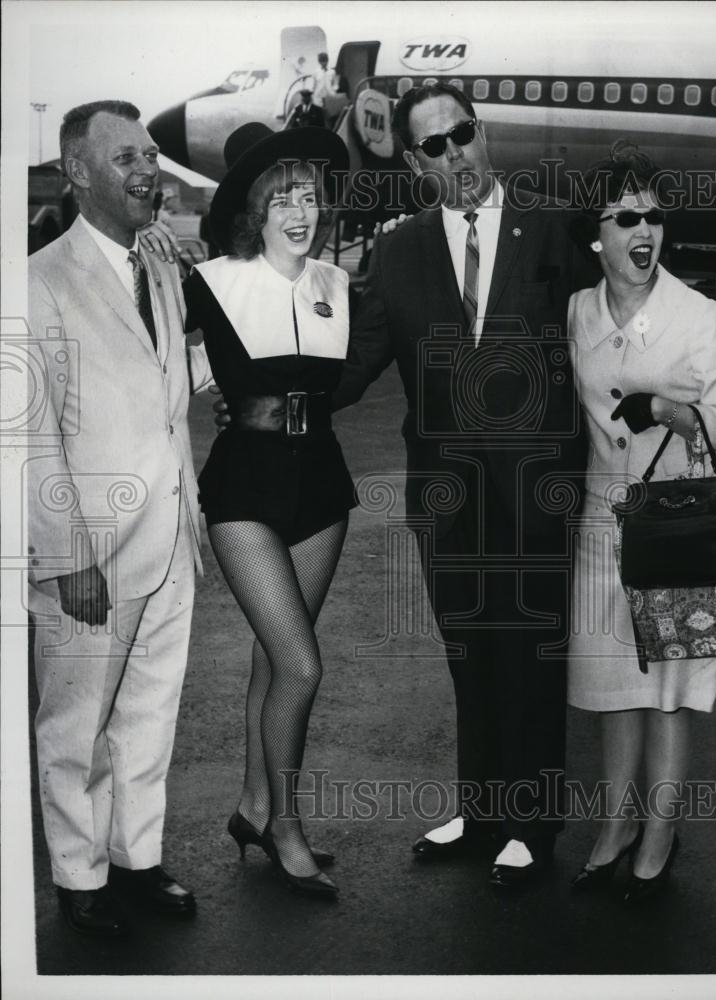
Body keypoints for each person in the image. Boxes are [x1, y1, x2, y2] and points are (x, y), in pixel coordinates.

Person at [331, 82, 594, 887]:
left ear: (485, 135)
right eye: (436, 146)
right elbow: (356, 361)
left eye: (465, 134)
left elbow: (611, 325)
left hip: (538, 488)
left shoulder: (555, 227)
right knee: (470, 654)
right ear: (416, 162)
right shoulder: (402, 248)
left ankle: (532, 822)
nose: (457, 155)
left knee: (531, 656)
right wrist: (259, 368)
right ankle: (481, 813)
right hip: (446, 494)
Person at [27, 100, 211, 937]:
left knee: (149, 714)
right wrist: (67, 555)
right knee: (76, 722)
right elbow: (28, 437)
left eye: (151, 155)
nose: (151, 170)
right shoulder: (39, 281)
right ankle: (78, 873)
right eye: (128, 157)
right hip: (89, 552)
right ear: (77, 173)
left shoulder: (159, 264)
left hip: (172, 538)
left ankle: (138, 860)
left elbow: (166, 396)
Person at [565, 143, 716, 903]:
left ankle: (661, 834)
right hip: (606, 524)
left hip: (680, 525)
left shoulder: (699, 315)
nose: (646, 231)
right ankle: (614, 827)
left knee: (671, 690)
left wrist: (676, 411)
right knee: (615, 689)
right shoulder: (577, 310)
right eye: (628, 216)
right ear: (597, 235)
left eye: (655, 216)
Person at [183, 123, 353, 898]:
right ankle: (287, 825)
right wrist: (201, 391)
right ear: (255, 206)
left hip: (322, 489)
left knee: (270, 655)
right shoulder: (211, 280)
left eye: (309, 195)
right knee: (301, 663)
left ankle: (254, 806)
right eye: (281, 195)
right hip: (244, 490)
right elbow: (151, 354)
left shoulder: (337, 283)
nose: (298, 209)